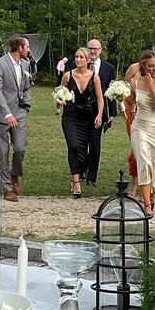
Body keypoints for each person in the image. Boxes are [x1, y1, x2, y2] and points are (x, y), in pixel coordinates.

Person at [126, 48, 155, 213]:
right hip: (140, 128)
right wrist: (122, 96)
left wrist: (150, 85)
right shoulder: (135, 82)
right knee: (144, 163)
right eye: (151, 66)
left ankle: (150, 192)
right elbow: (130, 101)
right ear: (143, 66)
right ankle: (146, 205)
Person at [0, 35, 32, 202]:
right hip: (0, 115)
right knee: (3, 151)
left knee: (20, 148)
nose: (28, 50)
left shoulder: (26, 64)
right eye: (27, 47)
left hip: (19, 113)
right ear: (19, 48)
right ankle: (7, 188)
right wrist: (7, 114)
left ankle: (15, 174)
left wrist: (26, 106)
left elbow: (26, 88)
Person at [58, 47, 104, 198]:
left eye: (81, 57)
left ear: (87, 60)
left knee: (83, 152)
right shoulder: (67, 76)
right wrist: (58, 102)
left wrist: (99, 115)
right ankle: (75, 180)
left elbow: (99, 98)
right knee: (73, 146)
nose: (78, 60)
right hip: (70, 116)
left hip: (87, 117)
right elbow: (60, 94)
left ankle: (77, 174)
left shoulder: (94, 77)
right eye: (76, 57)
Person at [84, 38, 116, 186]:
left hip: (99, 111)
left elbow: (111, 91)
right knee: (81, 144)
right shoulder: (77, 65)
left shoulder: (108, 68)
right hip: (81, 111)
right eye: (90, 48)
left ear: (101, 50)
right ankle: (81, 170)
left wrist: (112, 114)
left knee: (95, 144)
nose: (93, 51)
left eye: (96, 48)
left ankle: (92, 177)